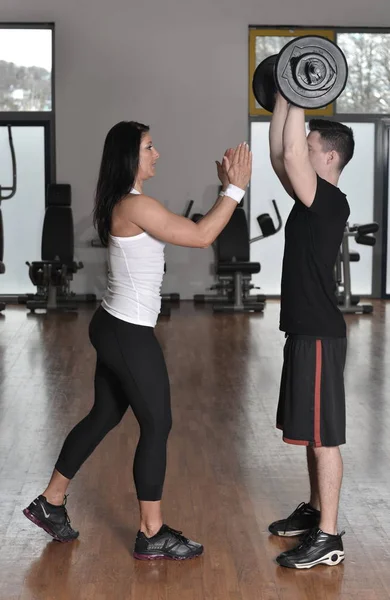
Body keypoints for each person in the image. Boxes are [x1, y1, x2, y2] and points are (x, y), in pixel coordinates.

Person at [23, 121, 252, 561]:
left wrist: (226, 192)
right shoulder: (134, 205)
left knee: (104, 415)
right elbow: (202, 238)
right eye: (150, 147)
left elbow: (196, 227)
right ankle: (152, 531)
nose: (157, 154)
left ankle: (50, 502)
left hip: (114, 324)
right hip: (126, 331)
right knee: (157, 424)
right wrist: (236, 190)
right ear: (130, 155)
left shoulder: (125, 203)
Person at [268, 94, 355, 569]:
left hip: (320, 335)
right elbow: (281, 152)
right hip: (303, 331)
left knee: (325, 439)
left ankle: (329, 536)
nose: (298, 147)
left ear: (329, 157)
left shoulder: (328, 201)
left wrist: (299, 94)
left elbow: (291, 155)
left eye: (309, 142)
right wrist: (284, 97)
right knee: (311, 433)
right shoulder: (307, 197)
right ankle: (316, 509)